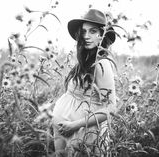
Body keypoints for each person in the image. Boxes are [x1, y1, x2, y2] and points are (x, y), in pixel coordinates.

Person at [52, 8, 119, 156]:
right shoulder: (86, 58)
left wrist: (74, 125)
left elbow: (111, 108)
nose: (86, 36)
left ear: (103, 34)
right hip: (66, 130)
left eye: (93, 31)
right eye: (83, 31)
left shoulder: (101, 64)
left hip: (83, 133)